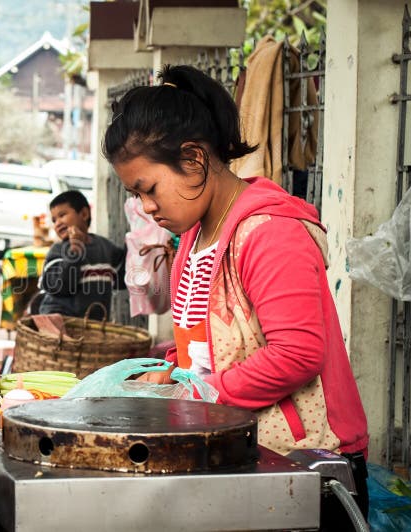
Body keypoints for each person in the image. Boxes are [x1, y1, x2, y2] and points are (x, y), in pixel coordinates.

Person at [103, 65, 369, 525]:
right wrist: (168, 373)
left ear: (193, 159)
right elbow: (214, 344)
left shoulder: (271, 234)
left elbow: (298, 353)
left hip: (306, 468)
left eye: (148, 189)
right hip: (245, 458)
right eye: (136, 195)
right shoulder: (194, 235)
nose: (146, 207)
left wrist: (201, 391)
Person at [37, 190, 125, 320]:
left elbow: (122, 279)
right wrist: (74, 253)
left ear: (84, 214)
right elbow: (60, 288)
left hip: (93, 325)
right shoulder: (57, 250)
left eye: (62, 215)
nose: (58, 223)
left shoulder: (105, 247)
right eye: (54, 220)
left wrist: (135, 246)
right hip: (61, 323)